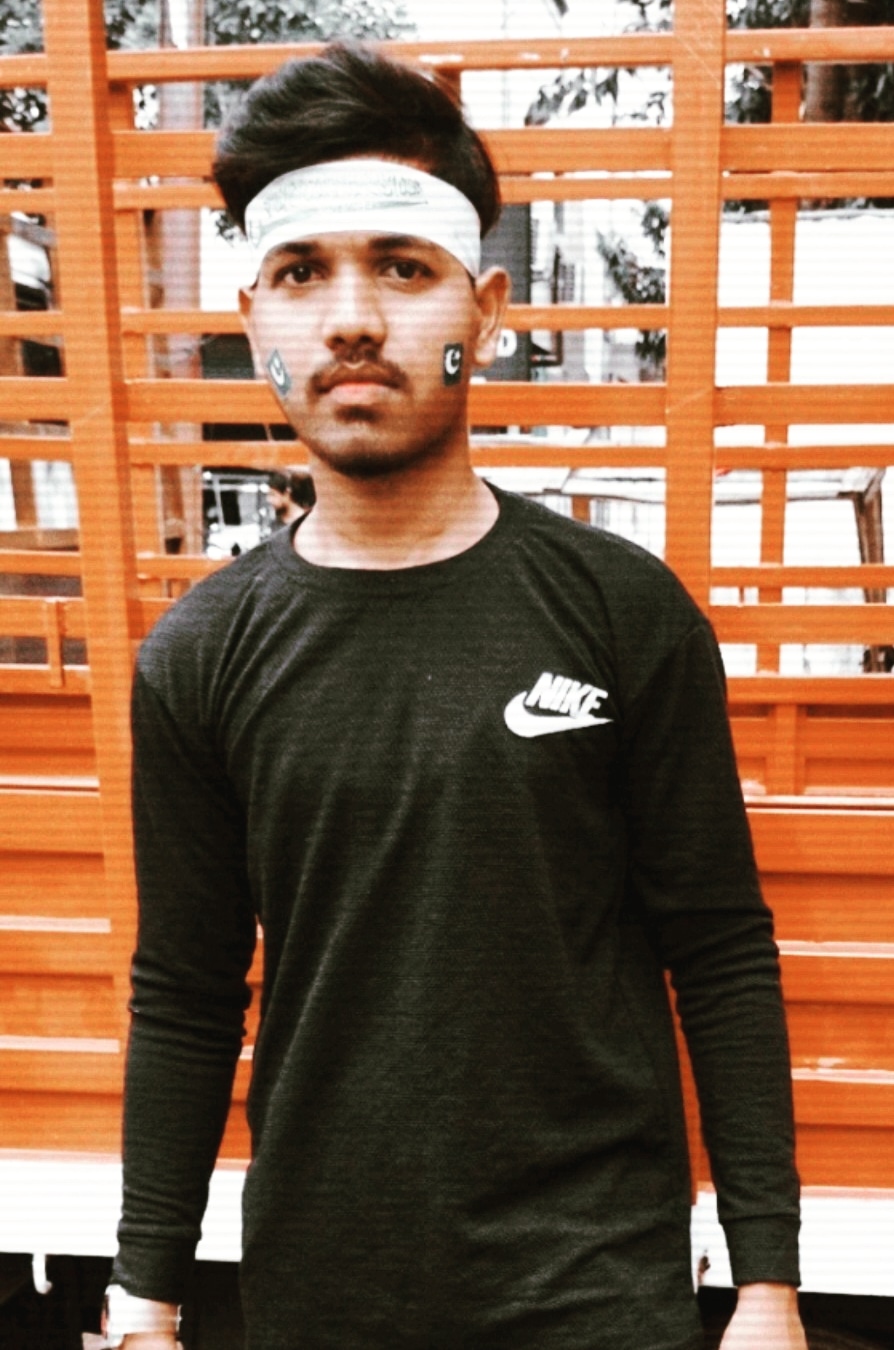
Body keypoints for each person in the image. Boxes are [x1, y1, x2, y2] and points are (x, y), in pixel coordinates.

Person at [104, 41, 806, 1350]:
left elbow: (717, 947)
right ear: (254, 317)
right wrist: (143, 1292)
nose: (351, 320)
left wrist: (768, 1283)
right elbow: (187, 991)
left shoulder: (623, 613)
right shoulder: (198, 657)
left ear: (485, 309)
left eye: (402, 266)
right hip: (325, 1297)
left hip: (595, 1296)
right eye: (302, 273)